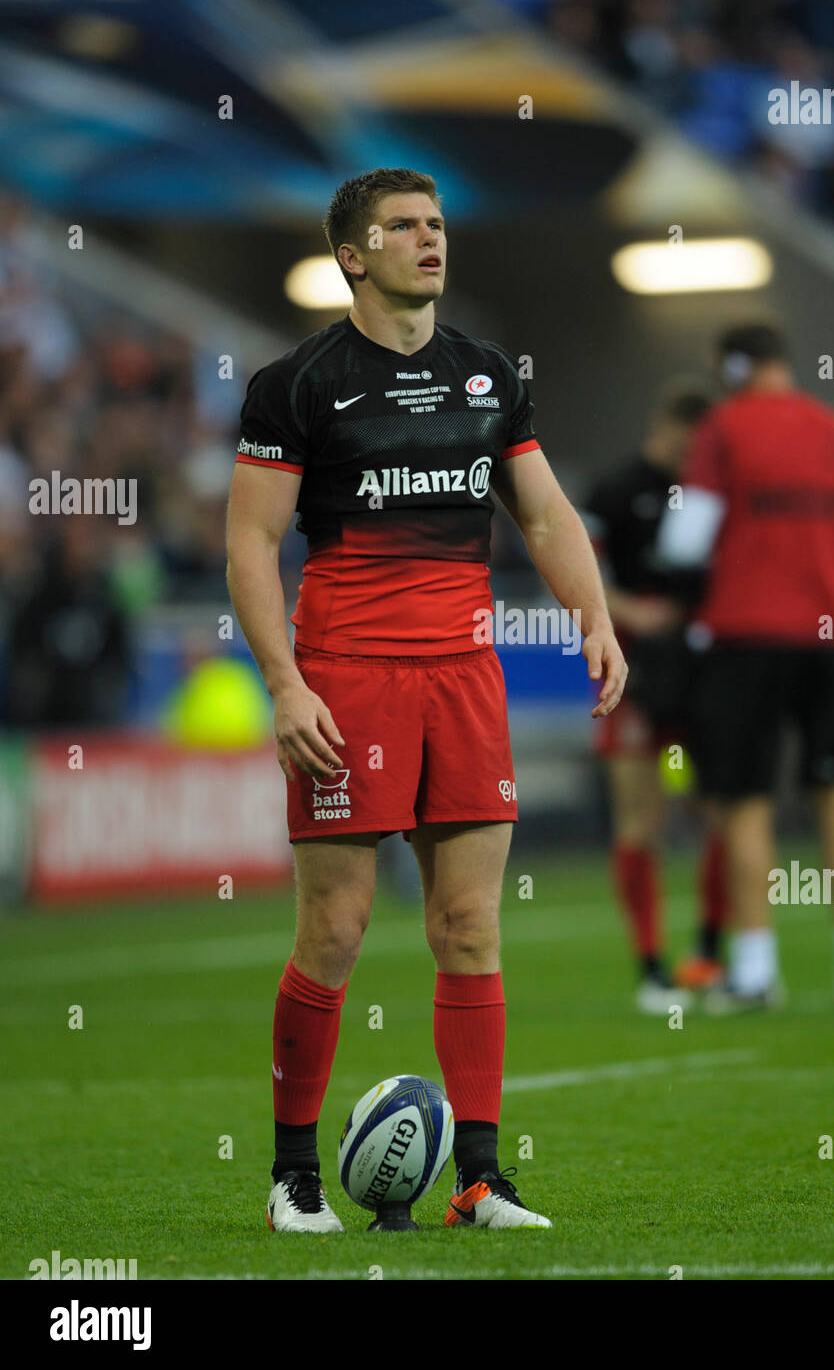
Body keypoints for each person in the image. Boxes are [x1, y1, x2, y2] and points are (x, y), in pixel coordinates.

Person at [226, 168, 626, 1233]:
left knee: (467, 923)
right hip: (347, 678)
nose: (428, 238)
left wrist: (592, 613)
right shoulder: (297, 384)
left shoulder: (488, 377)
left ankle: (481, 1180)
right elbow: (251, 543)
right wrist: (284, 681)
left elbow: (543, 516)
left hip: (464, 674)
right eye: (402, 226)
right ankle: (293, 1181)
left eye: (438, 222)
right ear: (354, 255)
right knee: (338, 929)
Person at [656, 323, 834, 1011]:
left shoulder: (723, 428)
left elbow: (684, 538)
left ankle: (756, 970)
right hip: (832, 635)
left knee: (744, 800)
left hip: (748, 636)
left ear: (731, 366)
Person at [580, 381, 729, 1013]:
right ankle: (650, 965)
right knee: (641, 818)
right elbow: (581, 575)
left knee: (713, 810)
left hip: (700, 680)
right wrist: (632, 612)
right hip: (633, 679)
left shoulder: (710, 494)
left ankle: (708, 956)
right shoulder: (614, 492)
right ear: (663, 427)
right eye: (685, 443)